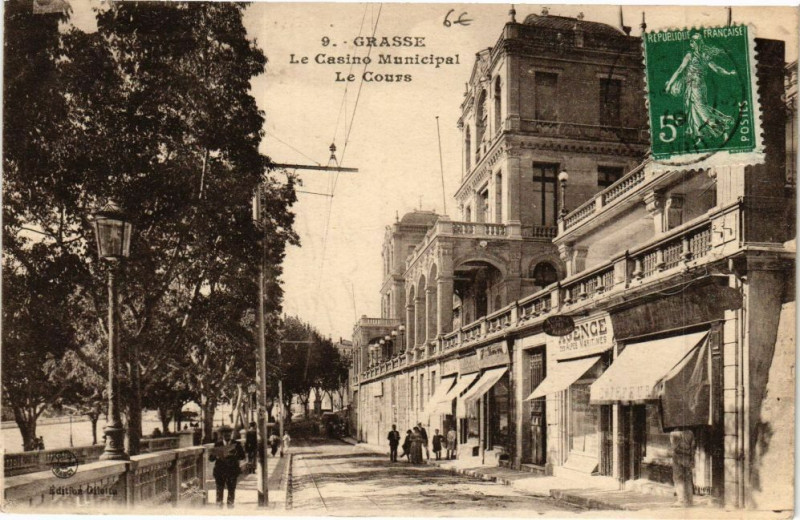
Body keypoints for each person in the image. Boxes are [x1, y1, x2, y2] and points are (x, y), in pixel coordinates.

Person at [665, 33, 736, 144]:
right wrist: (728, 73)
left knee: (701, 110)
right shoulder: (704, 55)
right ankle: (700, 136)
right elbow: (717, 69)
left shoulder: (692, 55)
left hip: (696, 86)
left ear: (696, 43)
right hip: (696, 85)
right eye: (691, 42)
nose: (691, 44)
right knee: (694, 109)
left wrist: (670, 84)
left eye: (692, 42)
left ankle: (722, 128)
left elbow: (680, 70)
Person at [209, 424, 245, 508]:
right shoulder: (217, 444)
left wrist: (235, 454)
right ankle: (219, 509)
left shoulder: (236, 444)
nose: (227, 435)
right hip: (220, 471)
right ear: (222, 435)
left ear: (231, 434)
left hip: (232, 471)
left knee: (231, 491)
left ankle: (230, 509)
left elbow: (242, 456)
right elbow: (211, 459)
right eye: (225, 434)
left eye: (229, 433)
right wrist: (216, 455)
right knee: (219, 491)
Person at [670, 429, 696, 507]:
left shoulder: (674, 433)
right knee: (688, 479)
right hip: (687, 458)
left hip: (678, 458)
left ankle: (681, 500)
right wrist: (692, 459)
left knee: (678, 478)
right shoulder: (690, 432)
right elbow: (693, 448)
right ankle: (689, 500)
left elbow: (674, 448)